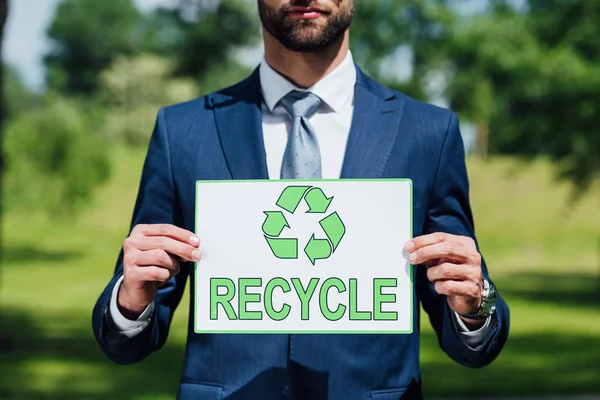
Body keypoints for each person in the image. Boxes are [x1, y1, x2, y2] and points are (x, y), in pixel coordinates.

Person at [92, 1, 510, 398]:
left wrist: (477, 302)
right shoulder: (183, 131)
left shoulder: (427, 134)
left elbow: (474, 342)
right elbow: (126, 343)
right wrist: (130, 300)